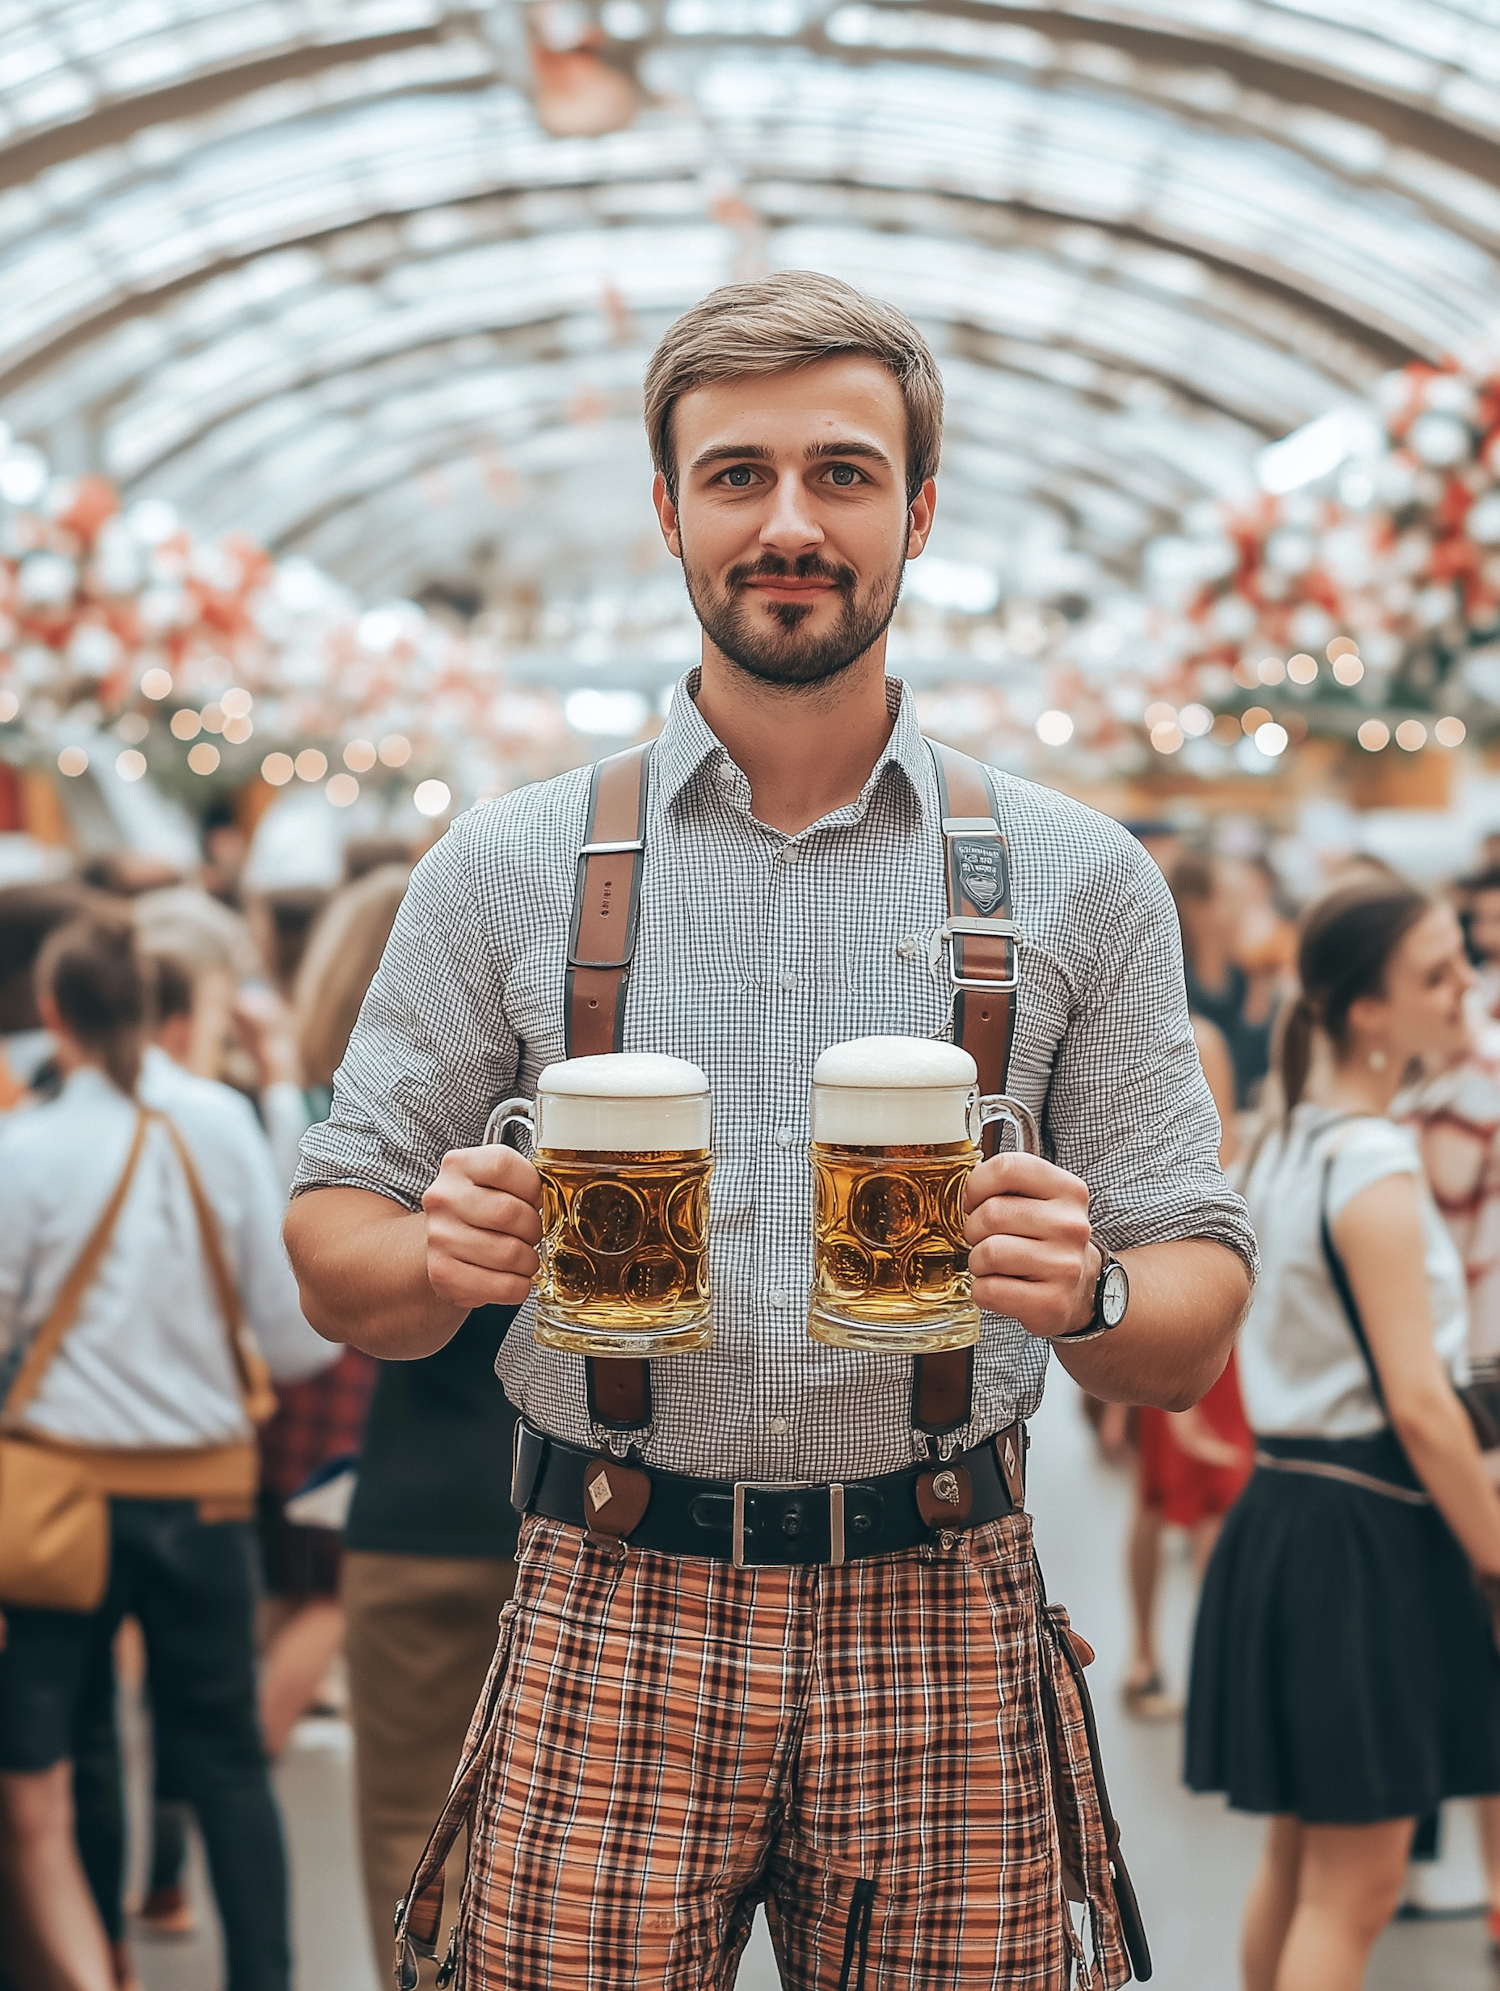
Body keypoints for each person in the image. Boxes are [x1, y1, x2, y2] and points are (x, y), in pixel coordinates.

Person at [285, 271, 1255, 1986]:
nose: (788, 522)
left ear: (919, 511)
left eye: (843, 474)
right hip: (610, 1584)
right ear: (667, 511)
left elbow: (1188, 1318)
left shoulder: (1078, 875)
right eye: (737, 475)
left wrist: (1092, 1289)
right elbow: (335, 1245)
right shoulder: (506, 867)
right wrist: (431, 1259)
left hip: (948, 1594)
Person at [0, 916, 336, 1991]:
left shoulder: (28, 1146)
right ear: (158, 1007)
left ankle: (101, 1964)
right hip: (207, 1494)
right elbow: (290, 1340)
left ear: (54, 1013)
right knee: (227, 1759)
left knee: (78, 1747)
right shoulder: (223, 1123)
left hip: (58, 1499)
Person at [1186, 880, 1500, 1991]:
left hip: (1291, 1513)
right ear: (1369, 1010)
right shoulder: (1373, 1159)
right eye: (1437, 969)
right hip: (1369, 1532)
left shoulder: (1284, 1140)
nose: (1466, 980)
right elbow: (1418, 1399)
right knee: (1356, 1885)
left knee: (1302, 1854)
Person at [340, 1306, 520, 1980]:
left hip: (417, 1502)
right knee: (592, 1829)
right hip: (597, 1518)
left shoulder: (416, 1196)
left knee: (409, 1829)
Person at [1122, 1012, 1252, 1719]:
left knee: (1179, 1497)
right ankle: (1194, 1668)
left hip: (1176, 1300)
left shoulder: (1183, 1037)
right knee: (1197, 1498)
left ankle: (1161, 1658)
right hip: (1182, 1300)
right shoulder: (1196, 1038)